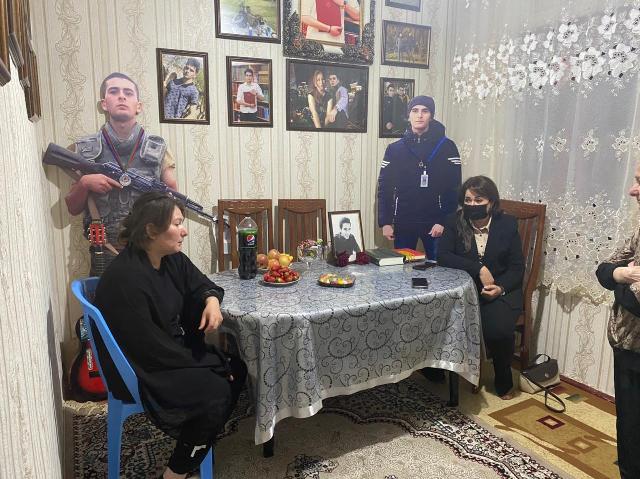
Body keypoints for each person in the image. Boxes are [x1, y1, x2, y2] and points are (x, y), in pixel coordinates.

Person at [94, 192, 247, 479]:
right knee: (216, 391)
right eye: (177, 224)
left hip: (166, 350)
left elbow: (202, 284)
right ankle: (175, 473)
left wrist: (211, 301)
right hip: (141, 366)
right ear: (151, 230)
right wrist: (213, 363)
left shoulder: (171, 259)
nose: (184, 230)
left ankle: (198, 441)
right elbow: (149, 349)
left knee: (237, 368)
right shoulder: (126, 279)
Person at [65, 72, 178, 275]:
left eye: (128, 93)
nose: (122, 96)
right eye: (114, 91)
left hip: (149, 250)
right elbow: (73, 208)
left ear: (138, 106)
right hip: (104, 250)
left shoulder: (158, 148)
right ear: (104, 104)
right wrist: (84, 183)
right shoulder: (85, 148)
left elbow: (172, 198)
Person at [438, 176, 524, 399]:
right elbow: (443, 256)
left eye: (479, 200)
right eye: (468, 200)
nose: (472, 204)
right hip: (466, 289)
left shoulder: (507, 224)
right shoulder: (454, 221)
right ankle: (436, 370)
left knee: (499, 330)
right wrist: (478, 268)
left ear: (491, 202)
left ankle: (503, 378)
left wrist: (500, 288)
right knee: (435, 315)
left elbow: (517, 268)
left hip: (501, 290)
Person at [377, 95, 461, 260]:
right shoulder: (394, 149)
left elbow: (454, 188)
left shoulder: (447, 147)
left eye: (425, 111)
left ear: (431, 116)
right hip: (404, 220)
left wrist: (444, 221)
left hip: (435, 221)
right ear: (409, 115)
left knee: (438, 267)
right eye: (415, 111)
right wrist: (385, 222)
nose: (419, 115)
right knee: (403, 268)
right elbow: (385, 187)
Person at [596, 163, 640, 479]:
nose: (632, 190)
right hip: (626, 343)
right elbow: (603, 269)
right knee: (628, 421)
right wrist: (623, 274)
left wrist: (620, 284)